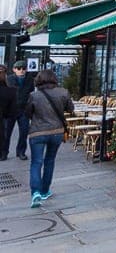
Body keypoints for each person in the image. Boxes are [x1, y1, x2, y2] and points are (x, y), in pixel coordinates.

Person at [25, 69, 74, 208]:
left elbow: (28, 113)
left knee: (36, 162)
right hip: (56, 132)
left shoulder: (34, 95)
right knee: (50, 160)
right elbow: (71, 108)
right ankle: (45, 190)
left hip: (37, 132)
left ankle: (35, 192)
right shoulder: (63, 92)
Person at [6, 60, 35, 160]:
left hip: (23, 109)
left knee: (24, 131)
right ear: (14, 69)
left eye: (24, 68)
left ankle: (21, 152)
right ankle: (4, 152)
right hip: (10, 110)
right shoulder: (8, 79)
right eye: (19, 68)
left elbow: (31, 93)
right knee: (6, 132)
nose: (21, 70)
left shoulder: (30, 79)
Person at [0, 66, 18, 161]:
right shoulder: (11, 91)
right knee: (5, 135)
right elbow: (13, 109)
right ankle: (3, 153)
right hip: (5, 117)